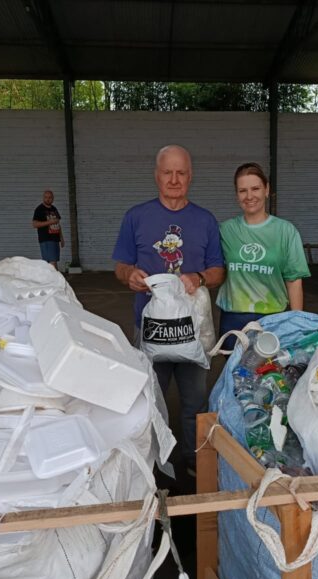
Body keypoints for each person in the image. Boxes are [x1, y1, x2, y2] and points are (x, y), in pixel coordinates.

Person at [112, 145, 225, 476]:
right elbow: (120, 266)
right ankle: (151, 466)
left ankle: (194, 463)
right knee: (148, 402)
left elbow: (218, 271)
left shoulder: (205, 220)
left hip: (192, 329)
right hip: (150, 329)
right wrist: (129, 275)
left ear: (190, 176)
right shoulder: (136, 217)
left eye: (181, 173)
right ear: (156, 175)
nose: (174, 179)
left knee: (195, 403)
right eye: (167, 172)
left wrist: (199, 277)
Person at [216, 162, 310, 347]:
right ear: (236, 195)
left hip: (273, 318)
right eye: (243, 191)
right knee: (234, 366)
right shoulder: (225, 230)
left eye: (255, 188)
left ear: (266, 190)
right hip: (233, 319)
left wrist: (296, 322)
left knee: (270, 366)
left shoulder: (285, 231)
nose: (249, 196)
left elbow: (293, 280)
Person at [32, 190, 64, 269]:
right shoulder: (39, 209)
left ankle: (53, 276)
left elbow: (58, 224)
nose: (48, 199)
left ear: (53, 198)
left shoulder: (54, 209)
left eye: (50, 197)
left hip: (55, 239)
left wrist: (61, 238)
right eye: (46, 197)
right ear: (43, 198)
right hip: (46, 239)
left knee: (53, 262)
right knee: (52, 264)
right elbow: (34, 224)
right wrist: (49, 222)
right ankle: (56, 277)